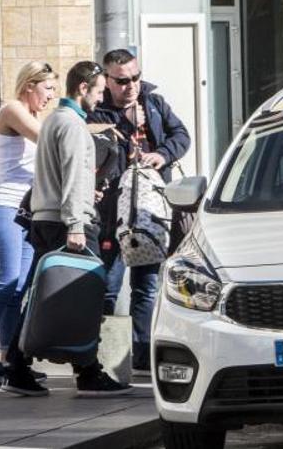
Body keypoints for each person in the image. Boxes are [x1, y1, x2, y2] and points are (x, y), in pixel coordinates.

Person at [0, 61, 131, 397]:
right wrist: (76, 223)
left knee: (39, 299)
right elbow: (72, 175)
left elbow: (60, 176)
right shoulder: (72, 125)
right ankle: (88, 373)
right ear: (83, 89)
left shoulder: (55, 120)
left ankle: (16, 366)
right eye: (99, 90)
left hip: (46, 219)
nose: (101, 97)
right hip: (67, 223)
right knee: (84, 296)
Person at [87, 48, 191, 377]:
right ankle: (102, 355)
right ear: (107, 80)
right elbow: (98, 154)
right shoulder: (98, 113)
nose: (131, 85)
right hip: (113, 213)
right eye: (122, 81)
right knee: (108, 285)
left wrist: (161, 155)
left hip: (149, 210)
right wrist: (125, 126)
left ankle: (142, 352)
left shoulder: (154, 103)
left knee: (147, 285)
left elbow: (181, 136)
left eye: (136, 77)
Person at [0, 62, 56, 385]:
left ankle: (8, 358)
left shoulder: (35, 116)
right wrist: (85, 130)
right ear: (29, 85)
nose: (51, 97)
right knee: (5, 282)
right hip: (0, 205)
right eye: (47, 89)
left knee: (19, 288)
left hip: (25, 211)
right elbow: (48, 139)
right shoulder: (12, 109)